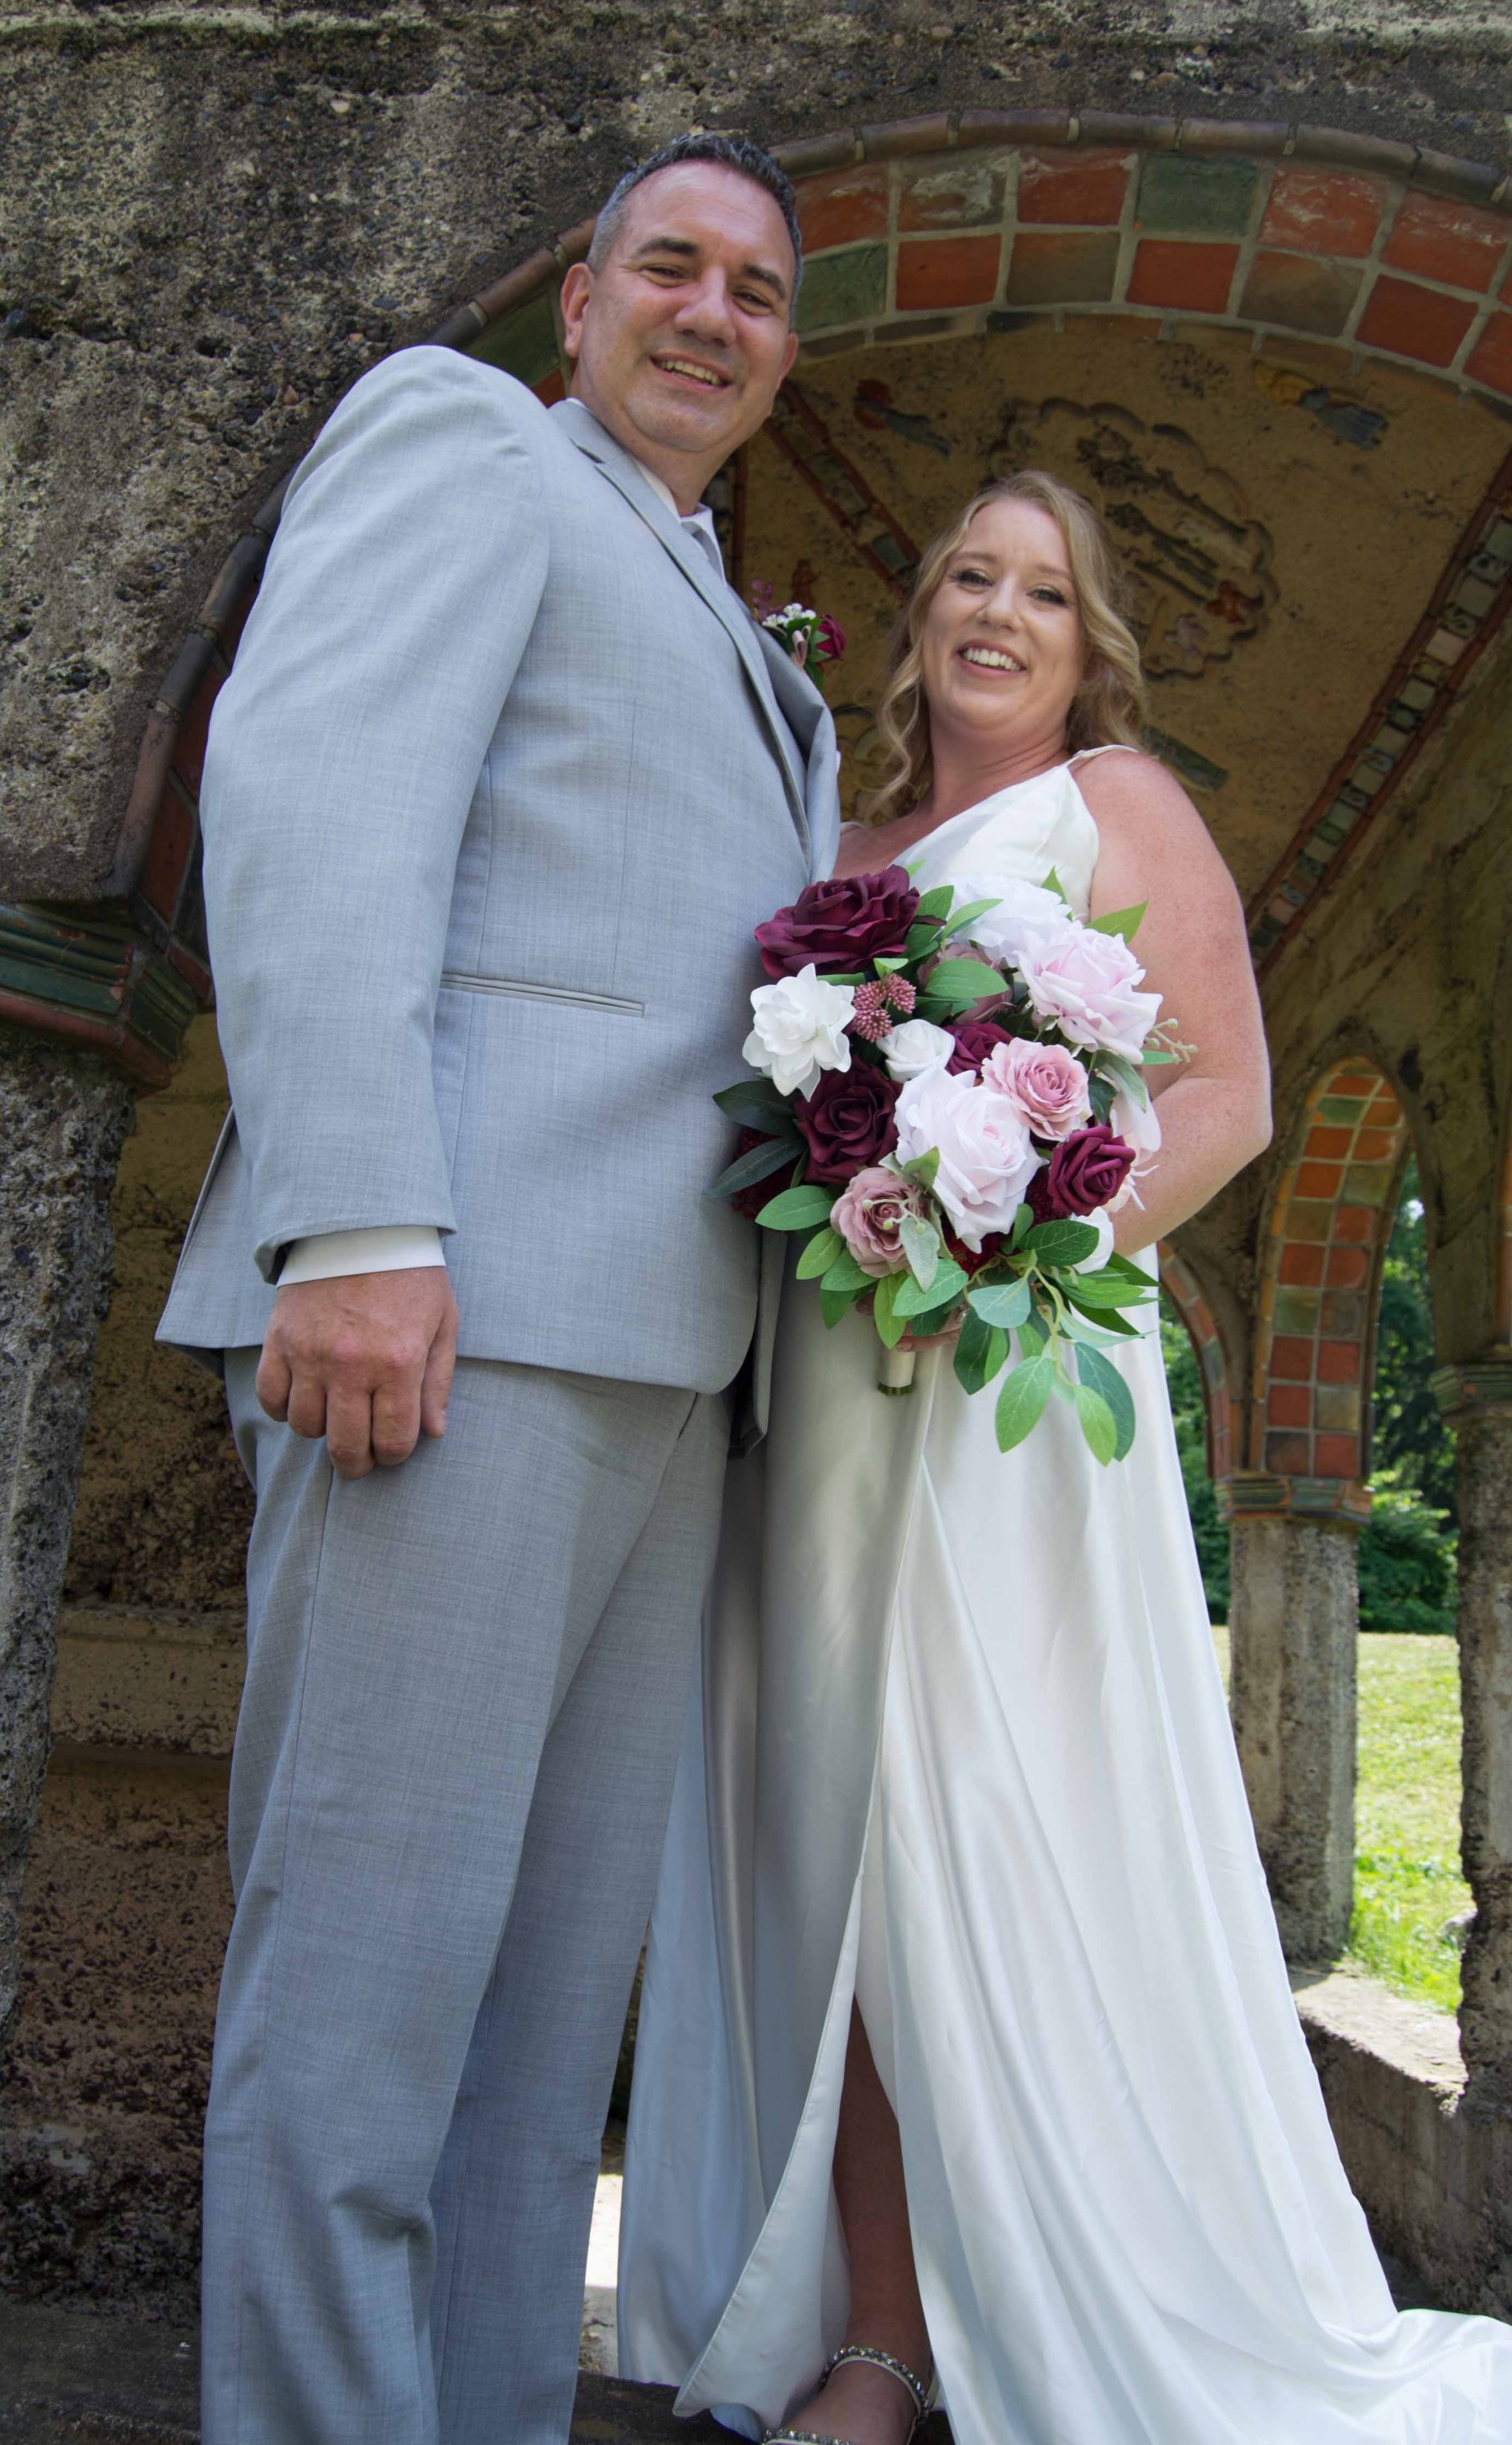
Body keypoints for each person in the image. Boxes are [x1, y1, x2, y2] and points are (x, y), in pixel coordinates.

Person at [618, 472, 1512, 2440]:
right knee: (834, 1838)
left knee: (991, 1817)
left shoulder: (1117, 802)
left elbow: (1228, 1098)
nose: (997, 615)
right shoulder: (835, 847)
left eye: (1042, 591)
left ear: (1087, 641)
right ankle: (875, 2316)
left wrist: (1010, 1247)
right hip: (813, 1385)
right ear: (918, 614)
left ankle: (995, 2306)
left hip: (1004, 1390)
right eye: (967, 576)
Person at [155, 132, 839, 2445]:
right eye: (671, 266)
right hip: (454, 1319)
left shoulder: (729, 611)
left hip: (678, 1359)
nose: (711, 314)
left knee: (544, 2058)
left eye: (758, 290)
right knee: (364, 2009)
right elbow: (317, 797)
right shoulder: (466, 444)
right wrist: (355, 1224)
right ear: (577, 299)